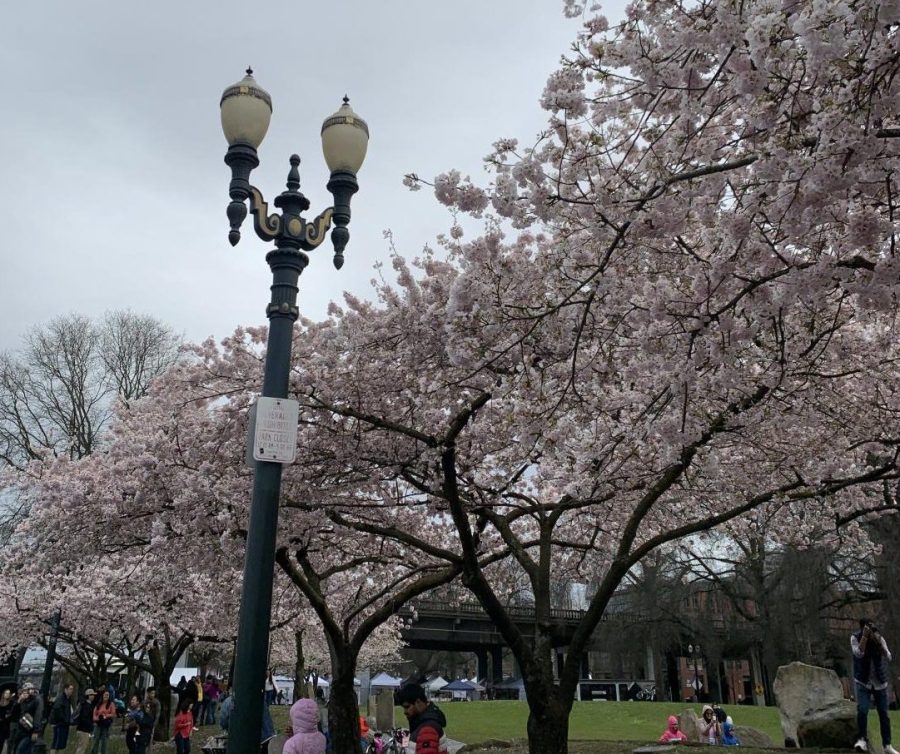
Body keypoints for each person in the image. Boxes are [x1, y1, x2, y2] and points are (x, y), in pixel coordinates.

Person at [852, 619, 898, 754]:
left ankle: (887, 745)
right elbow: (858, 653)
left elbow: (888, 656)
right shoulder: (855, 638)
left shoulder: (879, 638)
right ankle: (862, 740)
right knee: (862, 710)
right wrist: (865, 637)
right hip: (863, 681)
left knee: (884, 714)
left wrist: (878, 641)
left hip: (880, 682)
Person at [395, 683, 447, 754]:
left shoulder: (427, 729)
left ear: (418, 702)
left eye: (407, 707)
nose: (405, 712)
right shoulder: (422, 723)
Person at [15, 683, 44, 754]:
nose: (24, 693)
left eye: (26, 691)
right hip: (22, 728)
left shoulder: (37, 700)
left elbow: (38, 715)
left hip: (30, 729)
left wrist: (36, 730)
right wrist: (19, 702)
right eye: (23, 691)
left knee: (21, 750)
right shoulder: (24, 700)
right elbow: (16, 713)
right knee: (18, 748)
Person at [48, 683, 75, 754]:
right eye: (70, 689)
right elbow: (58, 710)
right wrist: (65, 720)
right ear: (65, 689)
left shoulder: (67, 699)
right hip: (60, 724)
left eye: (72, 689)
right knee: (56, 743)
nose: (72, 691)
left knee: (60, 744)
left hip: (64, 724)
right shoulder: (61, 699)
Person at [91, 689, 116, 754]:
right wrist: (99, 718)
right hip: (98, 724)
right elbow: (94, 715)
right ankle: (94, 752)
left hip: (106, 725)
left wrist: (105, 716)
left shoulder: (111, 704)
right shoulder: (98, 704)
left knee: (104, 741)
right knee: (96, 740)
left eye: (107, 695)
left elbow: (113, 714)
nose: (106, 696)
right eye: (105, 695)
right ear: (102, 695)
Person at [73, 688, 96, 754]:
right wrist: (90, 726)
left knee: (81, 746)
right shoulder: (86, 705)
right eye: (92, 695)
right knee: (82, 747)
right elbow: (85, 718)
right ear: (88, 696)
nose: (93, 696)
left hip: (82, 729)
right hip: (84, 730)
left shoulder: (86, 704)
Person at [0, 688, 16, 754]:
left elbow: (11, 714)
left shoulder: (11, 704)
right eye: (6, 693)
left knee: (1, 742)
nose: (7, 695)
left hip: (5, 726)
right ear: (3, 694)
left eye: (8, 693)